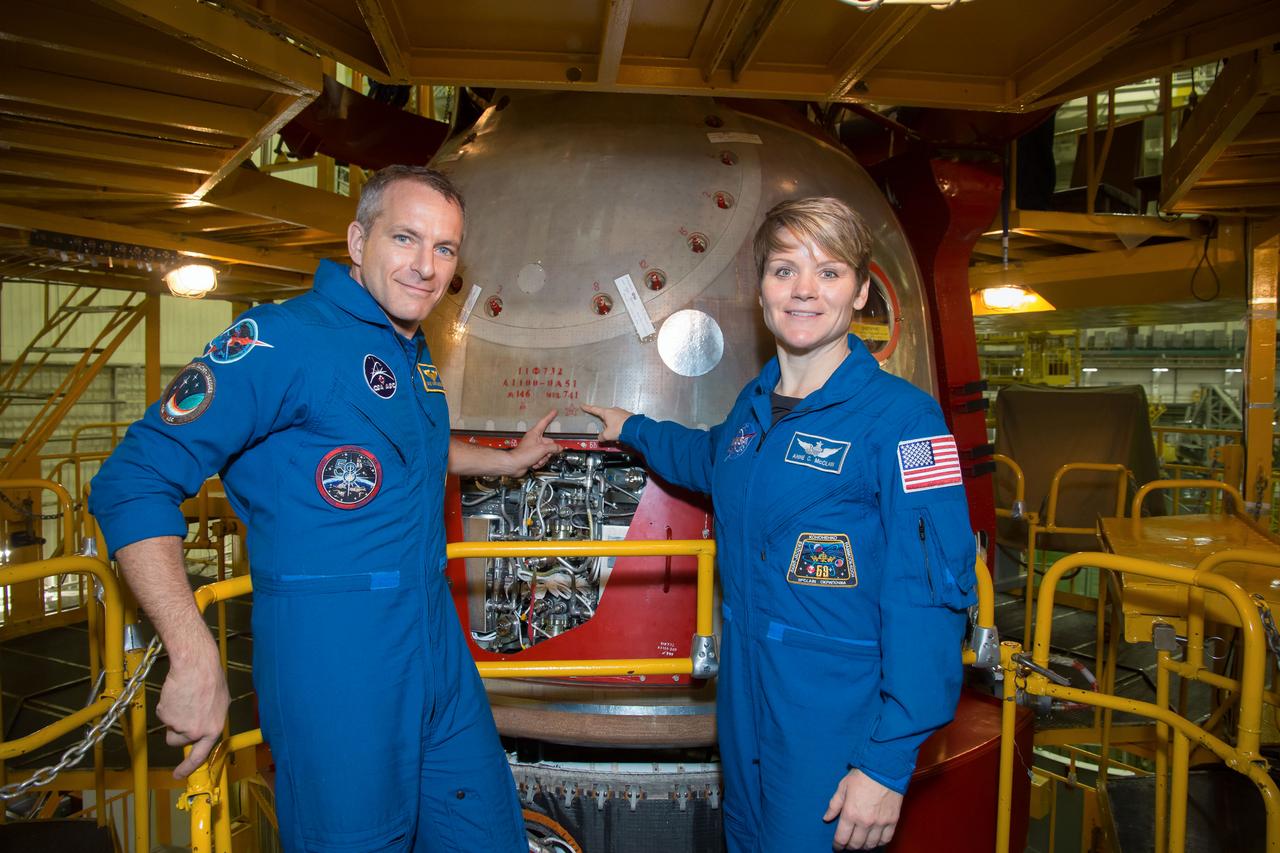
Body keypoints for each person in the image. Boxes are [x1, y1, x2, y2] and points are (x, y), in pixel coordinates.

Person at [90, 166, 558, 852]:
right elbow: (131, 479)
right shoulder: (282, 339)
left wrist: (506, 459)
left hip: (435, 647)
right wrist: (192, 653)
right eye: (406, 238)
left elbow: (412, 447)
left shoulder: (408, 345)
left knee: (488, 834)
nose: (426, 267)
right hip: (337, 658)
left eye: (446, 249)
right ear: (357, 239)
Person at [584, 197, 976, 851]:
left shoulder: (906, 421)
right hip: (744, 701)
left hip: (833, 713)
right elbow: (715, 459)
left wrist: (887, 760)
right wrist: (633, 428)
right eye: (785, 269)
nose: (804, 291)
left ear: (859, 291)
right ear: (761, 289)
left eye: (828, 272)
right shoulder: (753, 404)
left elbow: (930, 595)